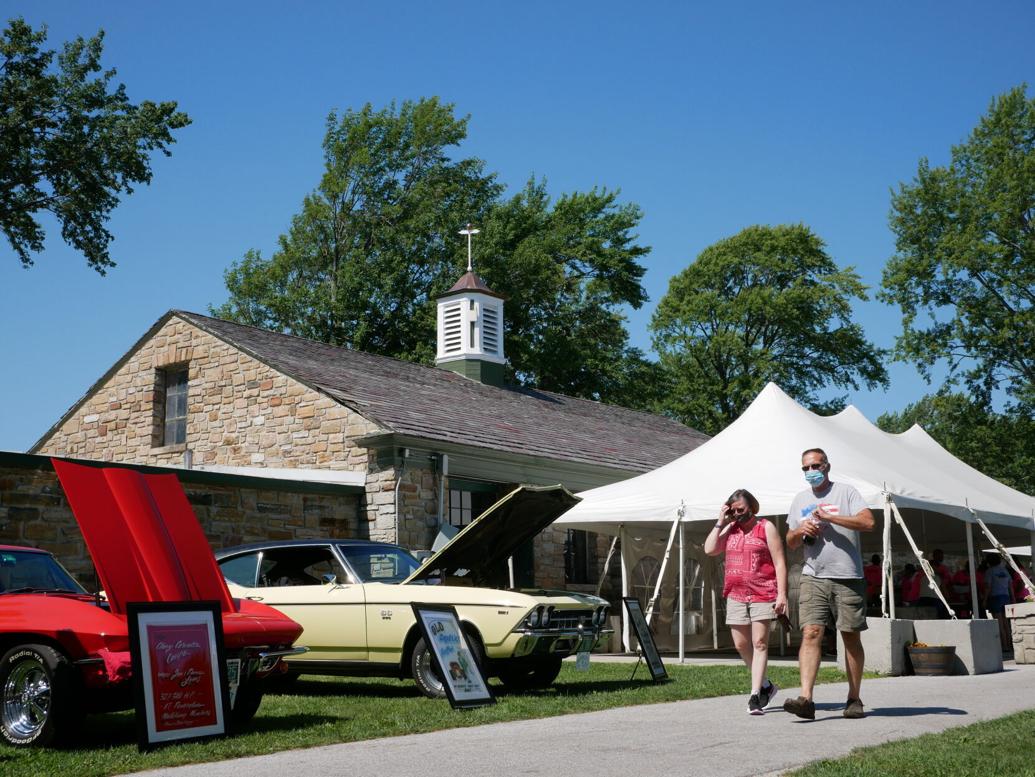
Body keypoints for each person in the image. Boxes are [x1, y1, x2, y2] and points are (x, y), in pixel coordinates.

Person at [783, 448, 875, 720]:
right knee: (811, 632)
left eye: (815, 466)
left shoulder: (846, 492)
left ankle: (854, 698)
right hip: (813, 575)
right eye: (805, 468)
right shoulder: (800, 499)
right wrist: (801, 530)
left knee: (849, 637)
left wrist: (831, 518)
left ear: (827, 466)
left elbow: (869, 522)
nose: (811, 471)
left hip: (848, 576)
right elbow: (789, 540)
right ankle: (806, 699)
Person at [704, 488, 788, 716]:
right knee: (741, 645)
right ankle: (766, 685)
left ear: (752, 506)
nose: (738, 514)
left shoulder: (766, 527)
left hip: (763, 592)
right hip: (735, 594)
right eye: (733, 510)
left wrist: (782, 594)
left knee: (759, 643)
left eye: (741, 509)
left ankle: (754, 696)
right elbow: (710, 549)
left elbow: (780, 562)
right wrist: (721, 521)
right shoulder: (730, 529)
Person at [984, 555, 1014, 651]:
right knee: (1006, 623)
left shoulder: (989, 571)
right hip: (1006, 597)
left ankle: (1004, 646)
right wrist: (1013, 598)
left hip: (995, 598)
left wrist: (984, 599)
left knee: (999, 624)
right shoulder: (1005, 571)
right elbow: (1010, 585)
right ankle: (1009, 645)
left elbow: (988, 587)